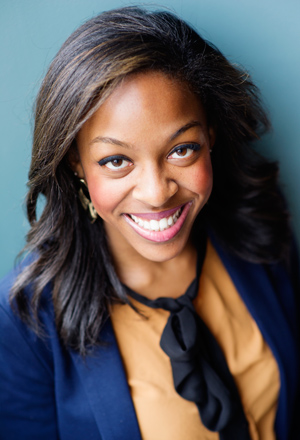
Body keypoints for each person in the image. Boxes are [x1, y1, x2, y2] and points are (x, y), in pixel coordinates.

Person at [0, 6, 299, 440]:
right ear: (77, 163)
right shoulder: (26, 322)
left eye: (182, 149)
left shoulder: (261, 233)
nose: (157, 193)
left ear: (210, 135)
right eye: (116, 161)